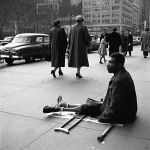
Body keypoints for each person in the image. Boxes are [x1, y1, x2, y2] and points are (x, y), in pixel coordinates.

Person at [43, 52, 138, 124]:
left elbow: (114, 107)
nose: (107, 64)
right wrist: (101, 104)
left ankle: (59, 109)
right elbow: (115, 100)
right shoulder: (121, 74)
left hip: (123, 116)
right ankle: (65, 105)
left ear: (119, 65)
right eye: (108, 62)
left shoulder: (119, 80)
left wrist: (102, 117)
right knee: (91, 103)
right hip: (126, 112)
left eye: (111, 62)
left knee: (87, 108)